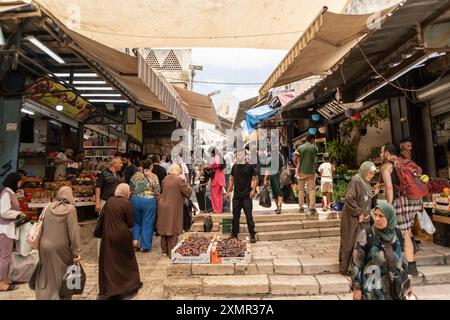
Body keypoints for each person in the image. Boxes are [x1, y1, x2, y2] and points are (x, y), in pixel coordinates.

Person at [351, 203, 413, 300]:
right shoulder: (366, 234)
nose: (377, 219)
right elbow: (356, 264)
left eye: (381, 216)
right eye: (375, 215)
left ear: (390, 217)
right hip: (372, 291)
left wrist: (407, 284)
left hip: (395, 289)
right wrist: (356, 289)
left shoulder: (398, 234)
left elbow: (403, 261)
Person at [380, 143, 421, 277]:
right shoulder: (405, 162)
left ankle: (410, 267)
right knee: (406, 230)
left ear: (386, 153)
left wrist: (389, 206)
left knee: (402, 232)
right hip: (415, 200)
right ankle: (407, 256)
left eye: (381, 152)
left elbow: (389, 188)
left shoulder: (386, 166)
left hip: (402, 201)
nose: (380, 155)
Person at [35, 187, 81, 300]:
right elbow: (74, 232)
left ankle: (44, 296)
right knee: (62, 274)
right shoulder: (71, 210)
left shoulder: (47, 207)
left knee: (46, 273)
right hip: (61, 248)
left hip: (44, 246)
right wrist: (76, 252)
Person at [99, 184, 142, 299]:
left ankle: (111, 287)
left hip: (107, 235)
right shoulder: (126, 203)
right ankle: (128, 285)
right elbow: (130, 223)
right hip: (122, 236)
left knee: (110, 262)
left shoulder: (109, 201)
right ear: (126, 193)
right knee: (127, 261)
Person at [339, 161, 380, 276]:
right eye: (369, 173)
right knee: (350, 242)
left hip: (362, 218)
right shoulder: (356, 180)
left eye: (372, 174)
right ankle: (345, 268)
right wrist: (358, 213)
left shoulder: (365, 182)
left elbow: (364, 196)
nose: (370, 176)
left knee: (361, 243)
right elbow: (349, 199)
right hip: (352, 219)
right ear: (364, 170)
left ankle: (357, 266)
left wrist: (373, 192)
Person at [157, 164, 192, 256]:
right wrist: (187, 182)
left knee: (164, 227)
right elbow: (188, 192)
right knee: (173, 228)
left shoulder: (165, 179)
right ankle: (171, 251)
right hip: (173, 206)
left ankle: (164, 251)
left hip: (162, 205)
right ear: (178, 170)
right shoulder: (179, 180)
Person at [0, 173, 25, 291]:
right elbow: (4, 212)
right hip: (5, 229)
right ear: (14, 181)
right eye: (19, 181)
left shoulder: (10, 192)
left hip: (8, 228)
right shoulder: (6, 193)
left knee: (6, 256)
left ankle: (5, 279)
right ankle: (1, 283)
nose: (20, 183)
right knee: (5, 257)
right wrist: (18, 213)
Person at [130, 160, 160, 252]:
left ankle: (135, 241)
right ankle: (145, 246)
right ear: (151, 166)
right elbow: (157, 190)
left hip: (135, 199)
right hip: (148, 200)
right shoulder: (154, 176)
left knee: (136, 221)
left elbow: (131, 187)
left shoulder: (135, 175)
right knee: (147, 222)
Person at [227, 151, 257, 243]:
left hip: (247, 196)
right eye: (238, 155)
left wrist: (253, 190)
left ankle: (252, 235)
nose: (239, 156)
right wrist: (228, 191)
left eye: (241, 155)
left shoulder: (250, 166)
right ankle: (234, 234)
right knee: (235, 216)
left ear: (244, 156)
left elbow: (255, 179)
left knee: (249, 216)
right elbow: (231, 180)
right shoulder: (234, 167)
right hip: (236, 196)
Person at [294, 134, 318, 214]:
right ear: (312, 139)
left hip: (301, 172)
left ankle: (301, 207)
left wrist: (297, 164)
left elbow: (295, 158)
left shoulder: (300, 147)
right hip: (311, 171)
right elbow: (314, 159)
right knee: (311, 190)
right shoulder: (314, 148)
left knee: (301, 190)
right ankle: (312, 207)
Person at [263, 149, 284, 214]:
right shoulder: (279, 158)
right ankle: (279, 207)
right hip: (278, 175)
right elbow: (282, 166)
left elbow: (267, 171)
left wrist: (265, 180)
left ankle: (278, 206)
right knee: (278, 191)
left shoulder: (269, 159)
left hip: (272, 176)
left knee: (275, 192)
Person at [208, 148, 226, 213]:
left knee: (215, 195)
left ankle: (217, 210)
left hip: (216, 179)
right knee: (219, 195)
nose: (210, 154)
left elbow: (215, 164)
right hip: (220, 178)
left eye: (210, 153)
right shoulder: (220, 156)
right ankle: (219, 209)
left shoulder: (217, 157)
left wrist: (208, 166)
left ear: (212, 153)